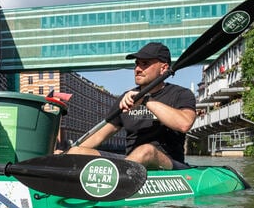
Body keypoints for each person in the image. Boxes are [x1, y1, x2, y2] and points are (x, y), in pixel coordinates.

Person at [68, 42, 196, 170]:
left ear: (163, 69)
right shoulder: (126, 98)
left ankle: (120, 179)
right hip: (131, 162)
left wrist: (146, 100)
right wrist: (68, 153)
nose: (137, 69)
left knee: (146, 151)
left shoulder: (181, 94)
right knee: (76, 152)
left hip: (168, 163)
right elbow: (99, 136)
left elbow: (184, 123)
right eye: (137, 64)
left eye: (145, 64)